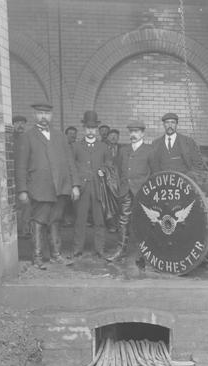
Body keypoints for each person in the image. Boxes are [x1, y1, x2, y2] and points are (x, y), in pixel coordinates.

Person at [14, 101, 78, 268]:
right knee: (39, 221)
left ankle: (56, 254)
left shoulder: (60, 136)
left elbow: (71, 162)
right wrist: (22, 189)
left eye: (47, 114)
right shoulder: (27, 137)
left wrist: (75, 184)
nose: (44, 117)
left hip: (61, 187)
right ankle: (37, 257)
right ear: (35, 115)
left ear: (51, 116)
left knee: (56, 220)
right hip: (39, 188)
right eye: (40, 113)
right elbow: (21, 165)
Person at [106, 119, 153, 263]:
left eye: (136, 132)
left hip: (143, 192)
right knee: (123, 220)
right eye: (131, 132)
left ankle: (146, 253)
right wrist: (121, 186)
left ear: (143, 133)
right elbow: (118, 170)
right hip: (126, 191)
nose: (133, 134)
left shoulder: (149, 150)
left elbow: (154, 172)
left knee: (145, 221)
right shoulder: (123, 150)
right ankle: (121, 250)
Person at [72, 110, 113, 259]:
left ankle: (99, 249)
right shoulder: (76, 146)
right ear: (84, 129)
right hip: (82, 189)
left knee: (99, 220)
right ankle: (77, 250)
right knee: (80, 220)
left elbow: (109, 164)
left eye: (93, 128)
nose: (90, 131)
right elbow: (72, 167)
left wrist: (103, 170)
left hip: (98, 188)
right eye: (88, 128)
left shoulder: (103, 147)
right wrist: (75, 185)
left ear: (97, 129)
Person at [12, 115, 31, 238]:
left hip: (25, 177)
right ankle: (14, 231)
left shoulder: (28, 139)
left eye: (23, 123)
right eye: (18, 123)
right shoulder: (9, 139)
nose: (20, 125)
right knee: (14, 206)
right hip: (12, 177)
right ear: (13, 124)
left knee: (26, 205)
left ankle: (25, 230)